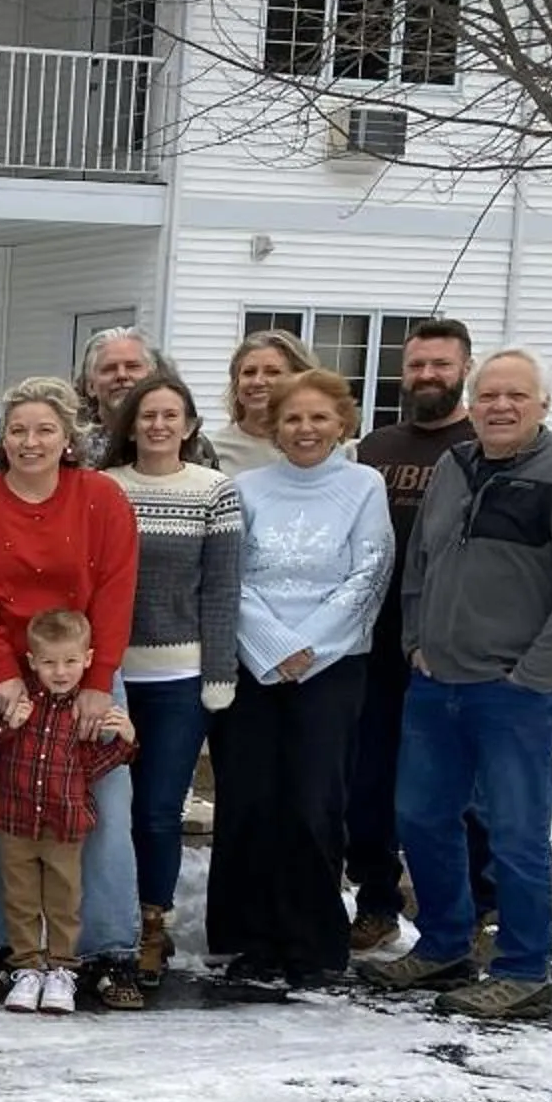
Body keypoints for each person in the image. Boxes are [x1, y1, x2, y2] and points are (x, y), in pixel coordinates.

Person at [373, 347, 552, 1021]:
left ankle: (525, 969)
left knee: (515, 832)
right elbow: (421, 562)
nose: (501, 407)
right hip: (437, 682)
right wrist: (416, 642)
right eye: (488, 396)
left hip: (519, 693)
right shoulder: (454, 467)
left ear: (544, 404)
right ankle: (445, 944)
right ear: (472, 404)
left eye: (516, 395)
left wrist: (532, 677)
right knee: (422, 818)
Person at [0, 377, 142, 1008]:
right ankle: (2, 949)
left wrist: (97, 683)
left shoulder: (101, 498)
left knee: (103, 812)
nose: (31, 441)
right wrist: (0, 672)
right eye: (19, 430)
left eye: (45, 429)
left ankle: (107, 951)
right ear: (3, 440)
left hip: (84, 673)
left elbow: (116, 588)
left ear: (68, 438)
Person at [207, 369, 392, 992]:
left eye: (318, 418)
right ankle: (250, 939)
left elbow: (370, 573)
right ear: (274, 426)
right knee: (251, 800)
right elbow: (229, 576)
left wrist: (305, 648)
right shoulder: (246, 488)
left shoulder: (364, 486)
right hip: (254, 665)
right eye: (292, 418)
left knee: (315, 803)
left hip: (332, 667)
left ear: (342, 423)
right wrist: (273, 648)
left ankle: (311, 941)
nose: (305, 429)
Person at [93, 374, 242, 991]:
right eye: (147, 415)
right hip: (110, 676)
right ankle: (108, 921)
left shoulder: (213, 491)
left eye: (170, 415)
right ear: (130, 425)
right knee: (107, 810)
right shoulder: (104, 487)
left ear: (189, 425)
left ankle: (153, 922)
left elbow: (223, 588)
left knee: (157, 810)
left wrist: (219, 671)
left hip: (180, 679)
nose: (158, 425)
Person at [348, 319, 484, 953]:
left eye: (441, 365)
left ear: (464, 369)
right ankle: (376, 902)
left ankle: (468, 909)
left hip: (450, 644)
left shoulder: (482, 446)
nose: (428, 375)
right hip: (375, 643)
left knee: (454, 789)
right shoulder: (376, 447)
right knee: (369, 784)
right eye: (418, 365)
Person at [0, 609, 138, 1016]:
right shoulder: (19, 699)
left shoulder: (84, 711)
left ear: (88, 659)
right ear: (32, 661)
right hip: (16, 820)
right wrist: (9, 725)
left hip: (64, 826)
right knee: (21, 899)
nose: (60, 672)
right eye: (49, 662)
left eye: (70, 661)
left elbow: (90, 768)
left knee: (65, 901)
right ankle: (27, 968)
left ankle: (63, 969)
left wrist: (125, 743)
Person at [208, 330, 320, 476]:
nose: (258, 381)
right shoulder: (211, 451)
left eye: (272, 372)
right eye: (249, 372)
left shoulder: (320, 447)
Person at [73, 326, 172, 466]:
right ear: (90, 386)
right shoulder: (73, 449)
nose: (122, 375)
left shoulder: (181, 440)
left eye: (133, 366)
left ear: (154, 377)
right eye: (109, 369)